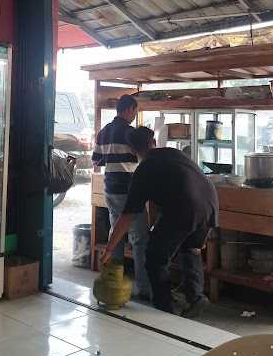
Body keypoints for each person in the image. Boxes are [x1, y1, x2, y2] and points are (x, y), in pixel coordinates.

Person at [101, 126, 218, 318]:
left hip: (183, 209)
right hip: (210, 203)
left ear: (133, 150)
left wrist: (109, 249)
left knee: (155, 257)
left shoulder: (144, 169)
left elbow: (127, 216)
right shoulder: (174, 153)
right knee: (191, 249)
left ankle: (165, 307)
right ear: (153, 142)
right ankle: (196, 298)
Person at [92, 95, 150, 299]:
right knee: (139, 239)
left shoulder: (103, 132)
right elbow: (145, 159)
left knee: (115, 234)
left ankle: (113, 281)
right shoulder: (131, 133)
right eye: (134, 111)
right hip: (129, 190)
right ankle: (143, 288)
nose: (134, 115)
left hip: (110, 189)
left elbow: (96, 161)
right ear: (129, 110)